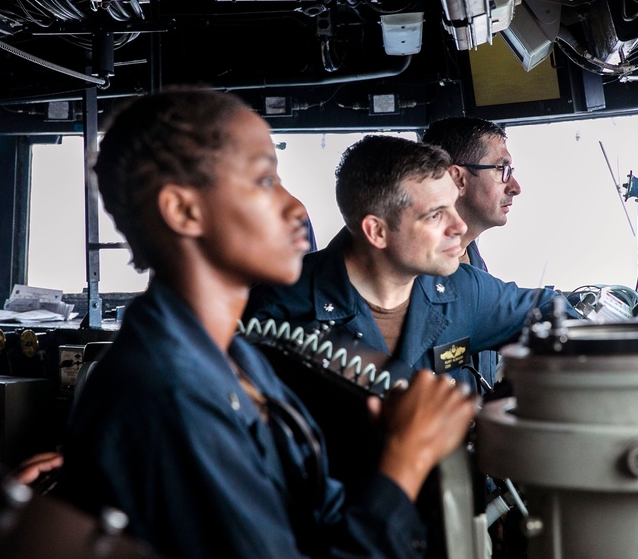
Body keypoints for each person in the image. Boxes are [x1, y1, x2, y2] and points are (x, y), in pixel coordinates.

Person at [58, 88, 477, 559]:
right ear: (183, 211)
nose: (296, 208)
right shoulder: (167, 391)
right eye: (263, 181)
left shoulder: (237, 359)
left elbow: (316, 521)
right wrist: (408, 458)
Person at [245, 134, 573, 394]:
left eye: (452, 208)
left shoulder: (465, 290)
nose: (458, 227)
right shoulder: (278, 308)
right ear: (377, 231)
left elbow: (553, 311)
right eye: (435, 215)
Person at [421, 117, 521, 392]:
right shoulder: (407, 273)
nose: (515, 186)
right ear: (458, 179)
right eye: (502, 169)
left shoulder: (474, 263)